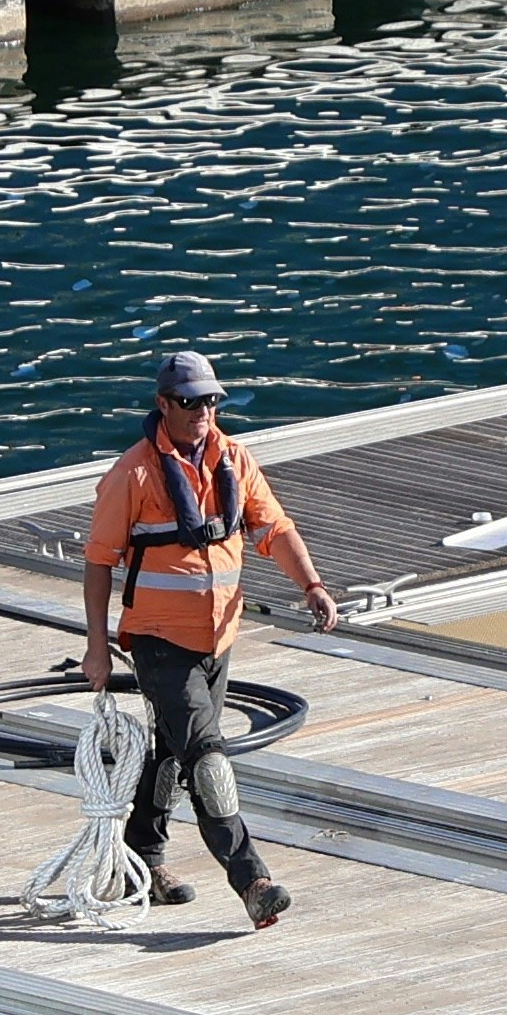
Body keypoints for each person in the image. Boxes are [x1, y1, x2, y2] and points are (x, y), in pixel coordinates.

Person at [76, 348, 335, 929]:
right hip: (159, 640)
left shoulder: (234, 459)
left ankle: (140, 860)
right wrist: (96, 645)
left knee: (173, 754)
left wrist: (312, 585)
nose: (202, 412)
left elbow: (274, 529)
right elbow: (98, 562)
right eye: (189, 402)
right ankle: (252, 880)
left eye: (211, 401)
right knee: (207, 757)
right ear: (163, 404)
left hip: (218, 639)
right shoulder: (133, 474)